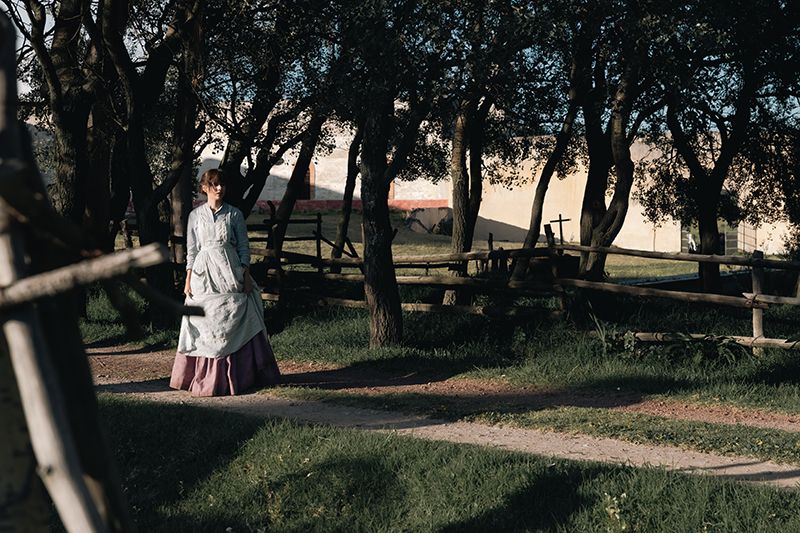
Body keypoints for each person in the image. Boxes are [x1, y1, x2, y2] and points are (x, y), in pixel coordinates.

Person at [170, 169, 280, 396]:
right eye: (214, 184)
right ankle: (204, 376)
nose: (219, 188)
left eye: (222, 184)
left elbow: (243, 248)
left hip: (229, 271)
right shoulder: (195, 216)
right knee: (206, 320)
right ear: (204, 188)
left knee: (232, 315)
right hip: (203, 274)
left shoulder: (234, 214)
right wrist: (188, 279)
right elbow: (192, 250)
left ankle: (240, 375)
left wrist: (246, 276)